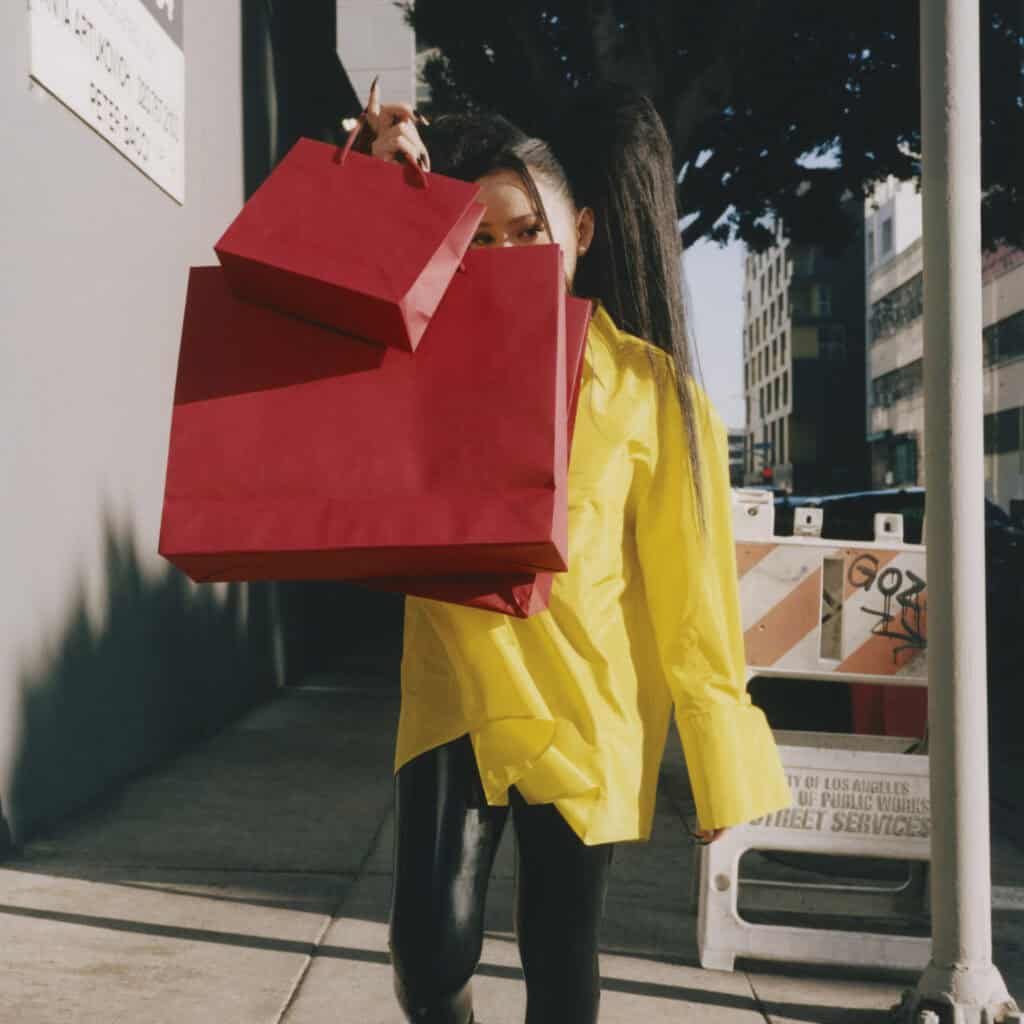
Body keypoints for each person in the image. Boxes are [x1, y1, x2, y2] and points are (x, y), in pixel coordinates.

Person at [363, 84, 793, 1024]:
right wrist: (374, 174)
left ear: (583, 232)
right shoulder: (417, 360)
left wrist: (719, 757)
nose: (502, 259)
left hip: (587, 706)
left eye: (526, 233)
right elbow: (319, 299)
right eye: (476, 240)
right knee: (427, 952)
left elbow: (693, 590)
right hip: (458, 689)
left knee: (561, 953)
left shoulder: (647, 387)